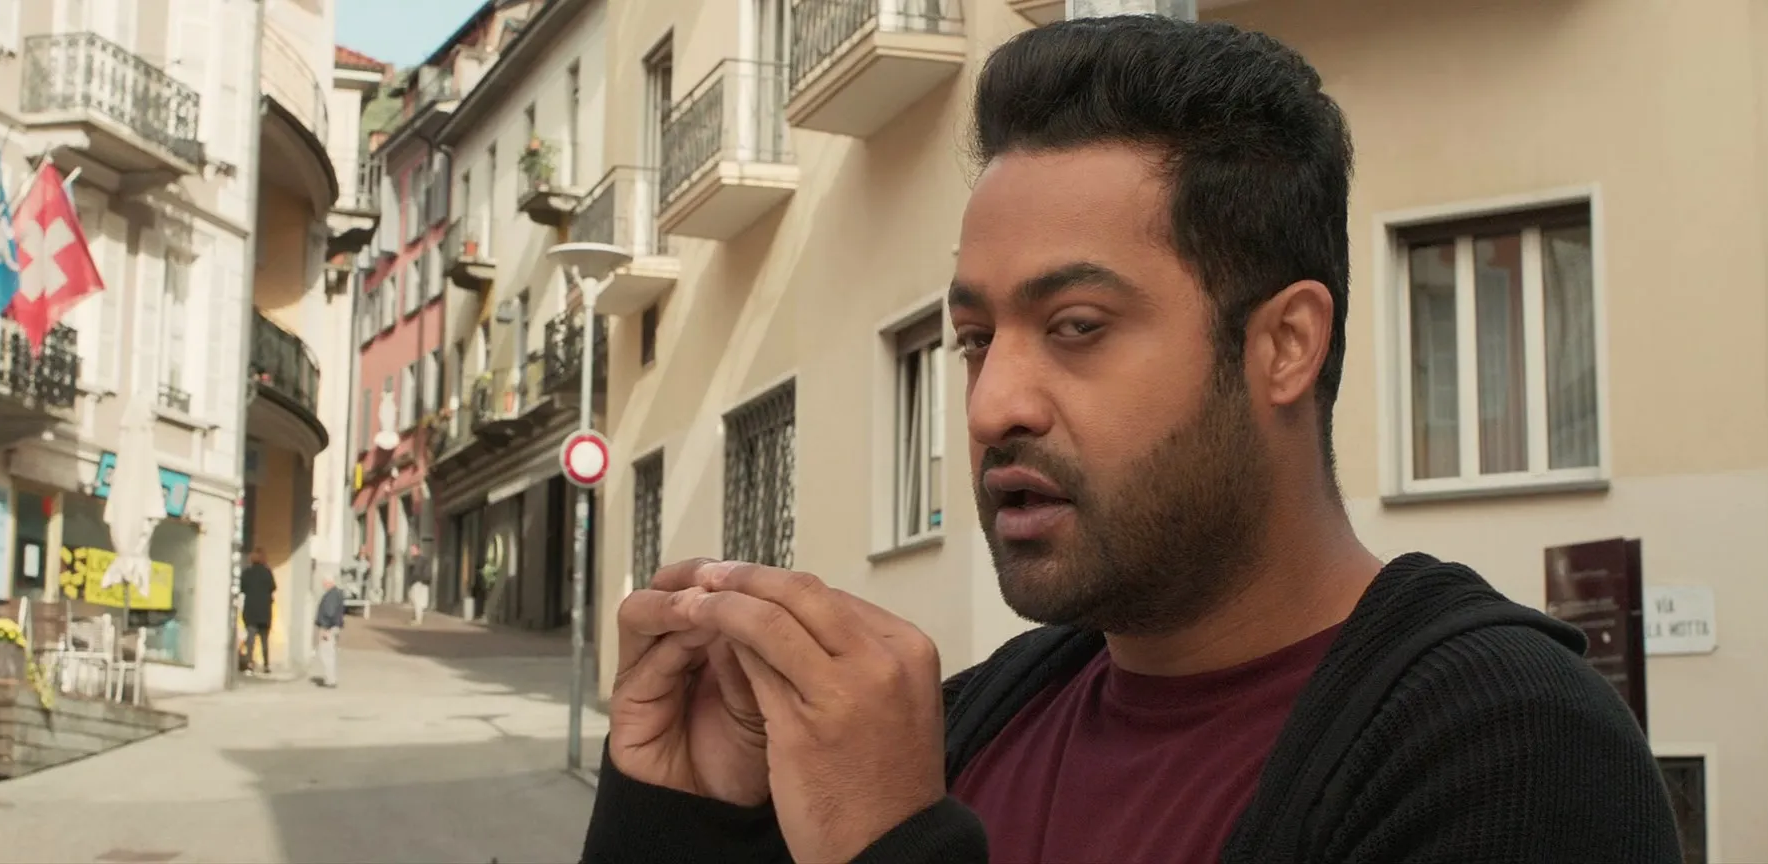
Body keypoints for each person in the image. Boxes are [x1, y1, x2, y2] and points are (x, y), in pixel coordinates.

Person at [582, 17, 1682, 864]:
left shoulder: (1516, 750)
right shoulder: (974, 721)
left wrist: (893, 846)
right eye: (974, 340)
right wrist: (684, 819)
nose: (991, 405)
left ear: (1284, 346)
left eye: (1076, 327)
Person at [238, 548, 276, 676]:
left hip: (251, 611)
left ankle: (249, 665)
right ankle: (266, 665)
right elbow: (273, 587)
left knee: (251, 640)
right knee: (264, 640)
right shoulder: (267, 573)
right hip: (264, 612)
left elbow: (242, 588)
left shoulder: (247, 573)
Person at [314, 573, 345, 688]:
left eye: (324, 582)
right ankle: (330, 679)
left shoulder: (331, 595)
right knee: (328, 653)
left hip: (328, 628)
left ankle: (330, 679)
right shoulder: (335, 594)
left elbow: (329, 612)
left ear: (329, 582)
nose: (323, 585)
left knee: (326, 653)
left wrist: (325, 628)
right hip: (333, 627)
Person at [406, 544, 430, 625]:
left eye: (413, 550)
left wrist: (411, 581)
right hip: (424, 582)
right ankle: (417, 617)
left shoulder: (417, 560)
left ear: (418, 550)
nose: (411, 551)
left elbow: (416, 573)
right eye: (411, 550)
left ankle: (418, 619)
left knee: (416, 601)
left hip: (418, 582)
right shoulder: (424, 559)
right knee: (418, 601)